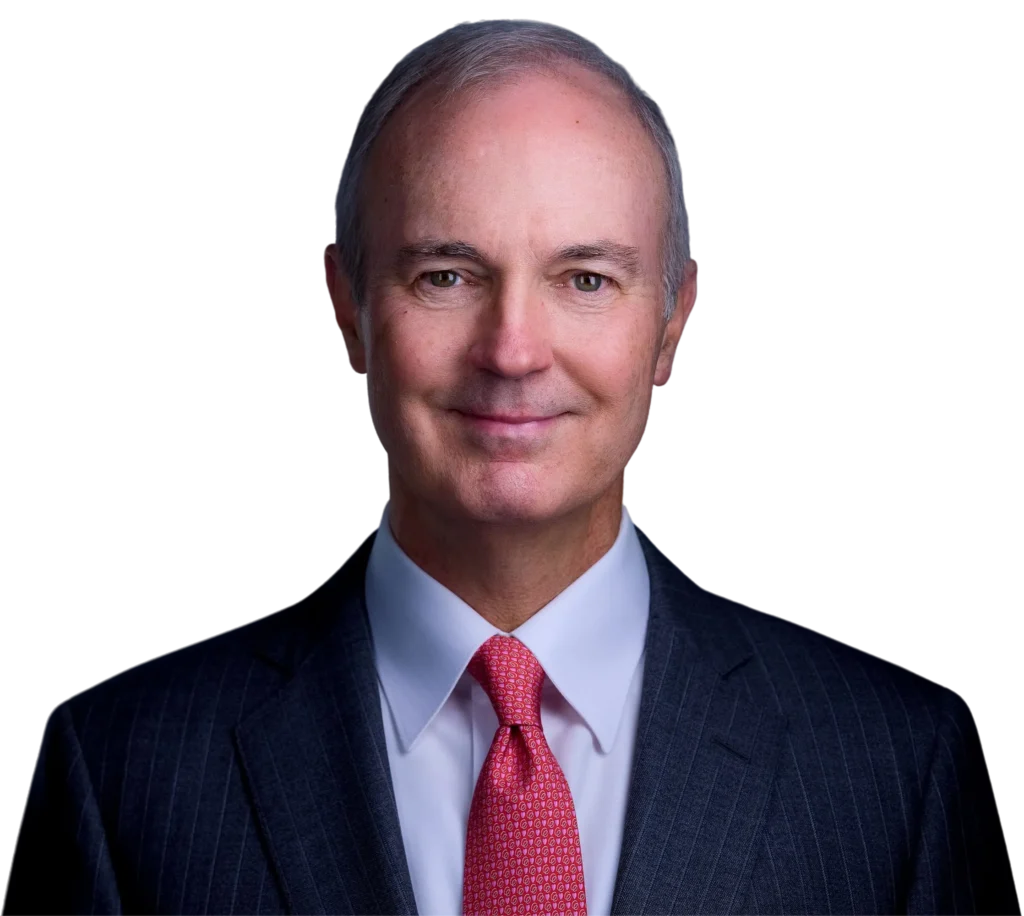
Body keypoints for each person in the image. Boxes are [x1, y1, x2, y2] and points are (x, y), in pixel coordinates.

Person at [4, 16, 1012, 916]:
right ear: (348, 308)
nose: (513, 348)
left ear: (671, 322)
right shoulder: (123, 773)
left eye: (585, 278)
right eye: (446, 275)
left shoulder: (894, 769)